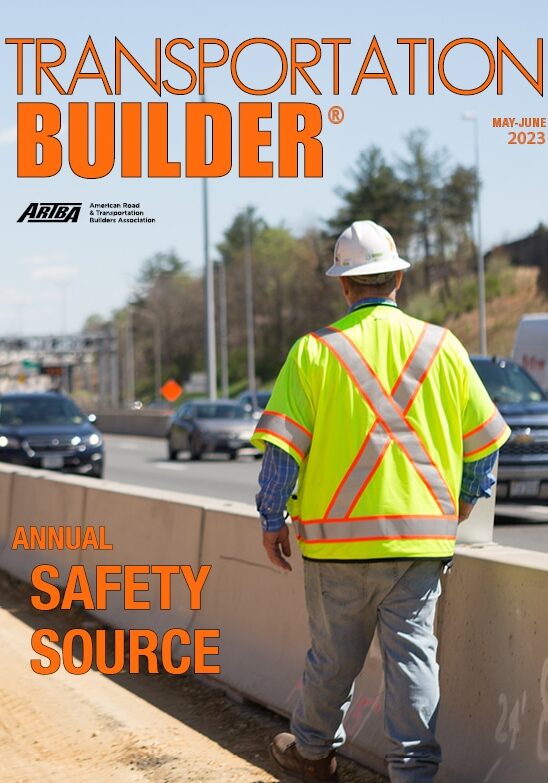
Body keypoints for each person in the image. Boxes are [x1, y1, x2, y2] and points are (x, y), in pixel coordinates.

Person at [251, 220, 510, 783]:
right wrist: (464, 501)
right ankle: (414, 771)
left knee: (331, 658)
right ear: (397, 278)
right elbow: (487, 442)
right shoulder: (444, 346)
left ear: (344, 286)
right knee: (414, 657)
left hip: (334, 545)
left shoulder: (313, 352)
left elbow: (282, 450)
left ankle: (314, 754)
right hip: (420, 542)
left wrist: (272, 518)